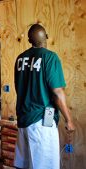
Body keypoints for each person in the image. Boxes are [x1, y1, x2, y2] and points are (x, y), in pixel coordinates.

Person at [14, 24, 75, 169]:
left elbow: (19, 88)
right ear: (46, 37)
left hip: (23, 120)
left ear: (29, 40)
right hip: (41, 122)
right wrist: (69, 120)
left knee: (26, 163)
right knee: (45, 165)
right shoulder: (50, 57)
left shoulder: (20, 59)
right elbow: (57, 93)